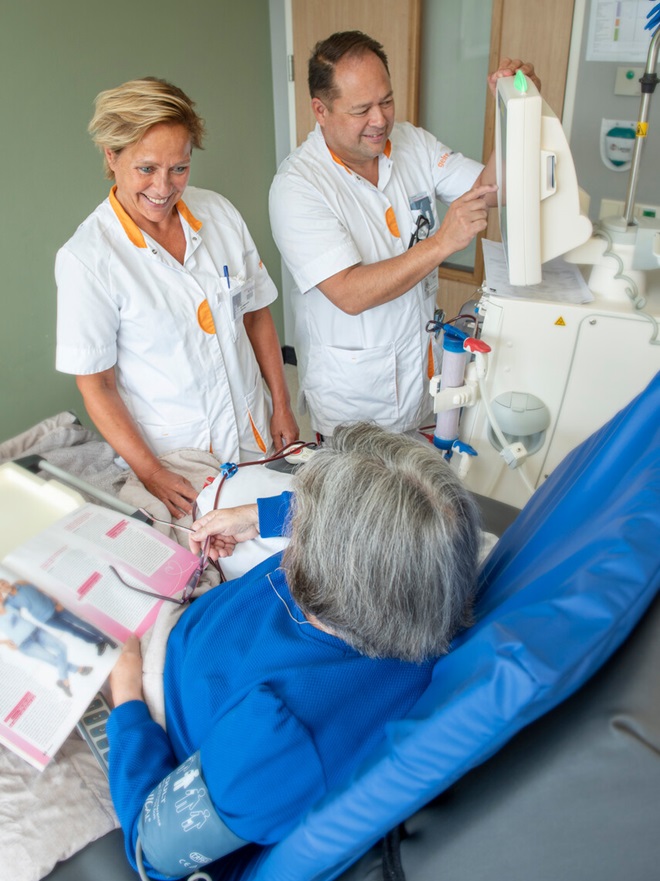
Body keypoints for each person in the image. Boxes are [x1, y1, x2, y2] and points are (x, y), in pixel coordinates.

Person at [107, 422, 482, 878]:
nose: (293, 525)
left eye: (301, 526)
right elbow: (381, 519)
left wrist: (124, 701)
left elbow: (153, 850)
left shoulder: (279, 741)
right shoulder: (426, 578)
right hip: (211, 630)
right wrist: (258, 516)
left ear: (332, 562)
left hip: (158, 696)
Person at [269, 31, 540, 439]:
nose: (380, 120)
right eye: (361, 109)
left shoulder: (412, 142)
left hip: (421, 374)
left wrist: (517, 115)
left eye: (386, 101)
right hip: (356, 401)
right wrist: (442, 242)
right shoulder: (298, 187)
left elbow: (491, 191)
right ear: (320, 110)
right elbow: (350, 292)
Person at [56, 77, 299, 520]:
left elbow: (256, 316)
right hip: (180, 464)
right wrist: (150, 473)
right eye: (146, 169)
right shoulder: (87, 259)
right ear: (112, 157)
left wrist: (282, 405)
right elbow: (97, 386)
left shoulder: (219, 214)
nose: (164, 188)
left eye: (179, 168)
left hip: (255, 436)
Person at [0, 591, 92, 697]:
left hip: (36, 631)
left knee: (61, 647)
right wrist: (5, 642)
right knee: (52, 659)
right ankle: (75, 673)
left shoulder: (10, 604)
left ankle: (65, 679)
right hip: (24, 643)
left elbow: (25, 595)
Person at [0, 579, 114, 655]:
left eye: (3, 582)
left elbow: (41, 590)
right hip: (46, 619)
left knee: (80, 623)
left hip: (55, 608)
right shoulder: (10, 602)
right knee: (72, 631)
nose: (4, 586)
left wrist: (56, 602)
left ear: (6, 581)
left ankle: (106, 639)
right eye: (1, 587)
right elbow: (8, 614)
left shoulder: (21, 583)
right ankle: (98, 642)